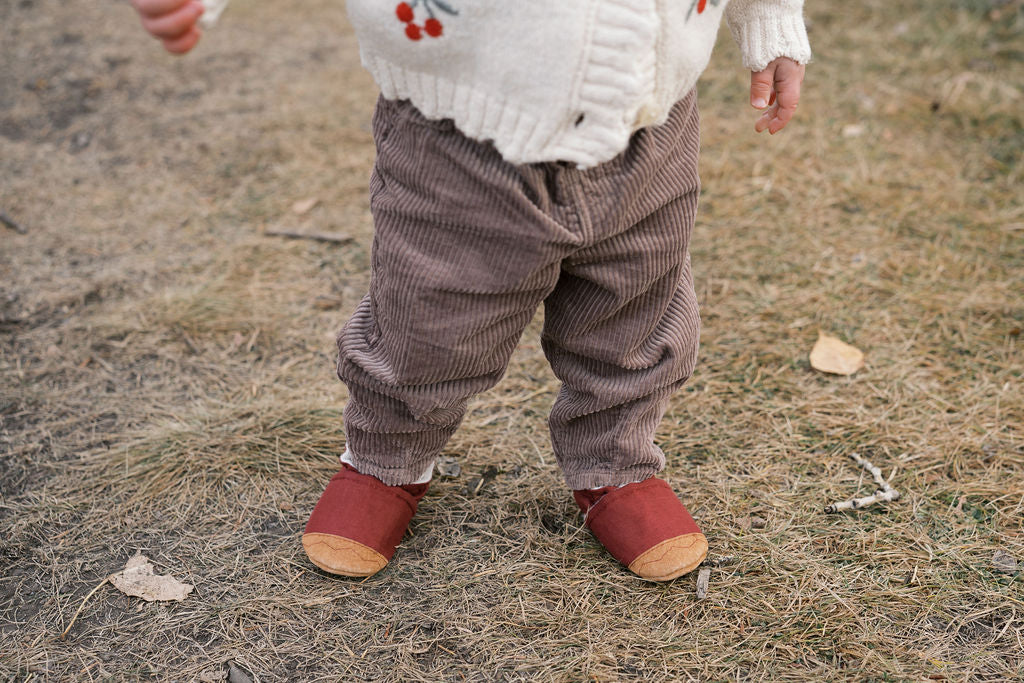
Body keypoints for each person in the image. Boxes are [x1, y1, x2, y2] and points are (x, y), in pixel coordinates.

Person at [131, 0, 810, 582]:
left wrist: (771, 21)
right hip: (460, 122)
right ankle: (386, 457)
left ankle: (616, 459)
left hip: (649, 120)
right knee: (432, 316)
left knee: (634, 307)